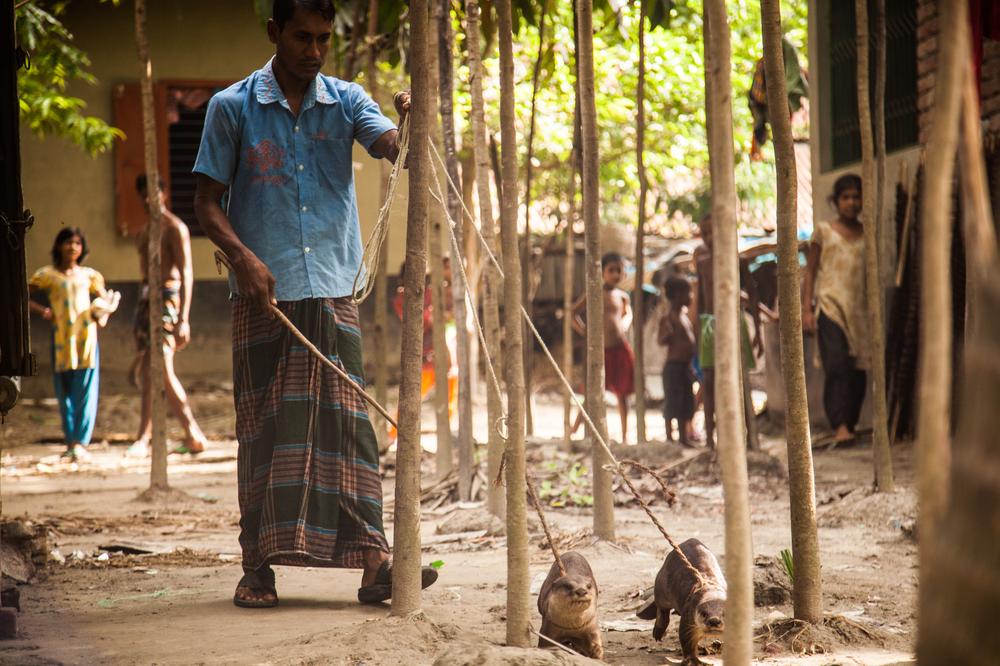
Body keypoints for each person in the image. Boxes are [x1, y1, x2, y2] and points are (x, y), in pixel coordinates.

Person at [192, 0, 436, 609]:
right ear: (274, 32)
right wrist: (243, 258)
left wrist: (409, 122)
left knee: (350, 428)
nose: (314, 49)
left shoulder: (348, 99)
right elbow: (205, 203)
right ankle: (258, 568)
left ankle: (376, 562)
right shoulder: (231, 107)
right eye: (302, 36)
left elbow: (391, 145)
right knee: (264, 429)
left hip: (332, 287)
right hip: (263, 295)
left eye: (324, 38)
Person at [127, 175, 208, 458]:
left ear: (163, 193)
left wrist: (183, 318)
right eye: (144, 194)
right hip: (147, 301)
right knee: (150, 370)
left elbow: (186, 272)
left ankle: (192, 431)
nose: (149, 199)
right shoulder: (144, 230)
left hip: (168, 300)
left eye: (154, 192)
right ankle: (144, 437)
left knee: (161, 366)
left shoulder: (175, 228)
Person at [28, 228, 120, 461]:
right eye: (68, 242)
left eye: (77, 243)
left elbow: (105, 301)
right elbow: (22, 295)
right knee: (64, 393)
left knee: (85, 392)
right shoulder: (46, 275)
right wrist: (43, 311)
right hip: (61, 339)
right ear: (59, 245)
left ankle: (80, 442)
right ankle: (70, 442)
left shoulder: (90, 275)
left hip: (86, 340)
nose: (73, 247)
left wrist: (103, 315)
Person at [802, 173, 868, 444]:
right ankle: (839, 424)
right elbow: (811, 271)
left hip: (859, 312)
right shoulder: (824, 231)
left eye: (856, 197)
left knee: (858, 370)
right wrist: (806, 308)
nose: (851, 202)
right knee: (837, 364)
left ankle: (849, 426)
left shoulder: (867, 233)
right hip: (830, 306)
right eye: (846, 197)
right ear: (836, 201)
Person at [693, 213, 761, 448]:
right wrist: (699, 331)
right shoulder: (702, 263)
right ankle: (710, 439)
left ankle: (750, 437)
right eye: (705, 233)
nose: (710, 238)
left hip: (735, 321)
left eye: (714, 232)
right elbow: (701, 300)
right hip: (710, 323)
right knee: (709, 380)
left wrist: (758, 335)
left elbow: (752, 296)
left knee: (741, 379)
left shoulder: (738, 261)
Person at [572, 252, 634, 443]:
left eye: (619, 271)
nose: (615, 275)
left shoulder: (623, 297)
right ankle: (574, 430)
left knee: (623, 394)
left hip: (620, 349)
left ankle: (625, 436)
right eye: (611, 270)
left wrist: (624, 324)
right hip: (601, 350)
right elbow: (573, 313)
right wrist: (584, 331)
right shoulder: (595, 293)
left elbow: (627, 315)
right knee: (592, 393)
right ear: (603, 272)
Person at [658, 275, 697, 447]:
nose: (691, 297)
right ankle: (669, 437)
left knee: (686, 402)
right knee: (673, 402)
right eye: (688, 293)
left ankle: (683, 437)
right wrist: (668, 333)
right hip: (673, 367)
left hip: (685, 366)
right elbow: (661, 340)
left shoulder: (684, 316)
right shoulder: (668, 318)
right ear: (677, 295)